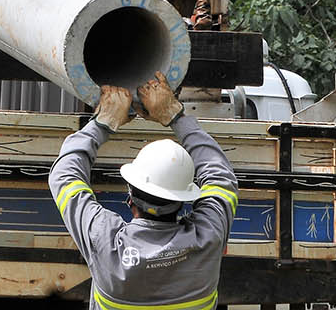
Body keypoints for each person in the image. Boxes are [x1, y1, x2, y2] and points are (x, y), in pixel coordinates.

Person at [49, 73, 238, 310]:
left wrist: (102, 122)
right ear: (183, 200)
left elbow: (64, 175)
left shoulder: (106, 243)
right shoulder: (208, 237)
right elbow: (220, 176)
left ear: (130, 199)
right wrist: (174, 115)